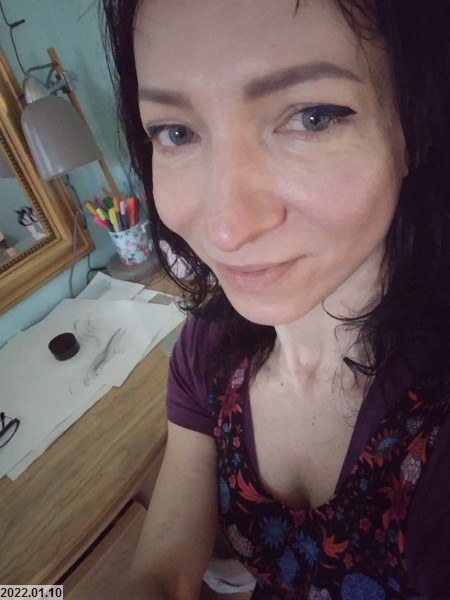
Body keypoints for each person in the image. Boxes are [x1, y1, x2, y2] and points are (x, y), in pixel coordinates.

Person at [101, 0, 450, 598]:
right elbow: (162, 575)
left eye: (313, 118)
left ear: (415, 127)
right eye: (177, 132)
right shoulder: (208, 346)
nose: (226, 229)